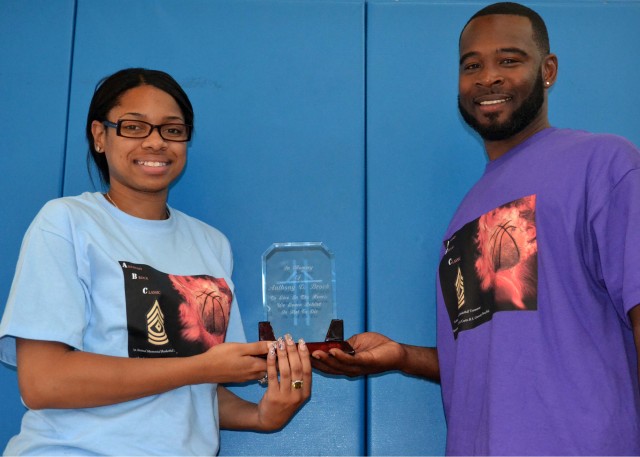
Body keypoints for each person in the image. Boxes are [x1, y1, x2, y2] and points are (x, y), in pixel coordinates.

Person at [312, 2, 640, 455]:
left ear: (548, 70)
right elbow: (492, 360)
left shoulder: (605, 164)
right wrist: (403, 357)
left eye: (509, 60)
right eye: (472, 65)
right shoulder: (466, 213)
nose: (488, 77)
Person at [0, 68, 312, 456]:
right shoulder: (67, 221)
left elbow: (196, 394)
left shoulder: (211, 243)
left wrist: (262, 416)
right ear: (100, 136)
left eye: (172, 130)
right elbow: (43, 382)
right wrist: (202, 368)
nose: (155, 142)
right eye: (133, 127)